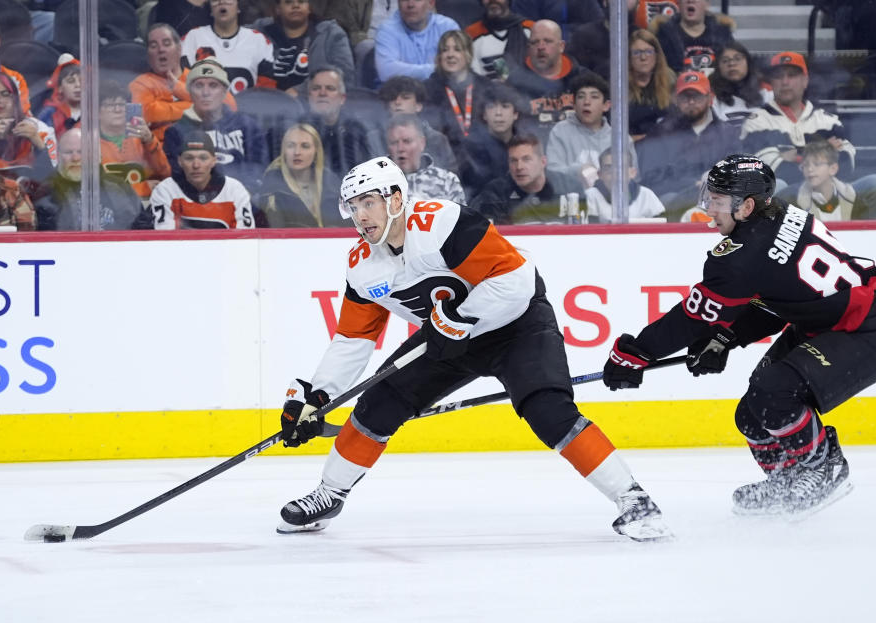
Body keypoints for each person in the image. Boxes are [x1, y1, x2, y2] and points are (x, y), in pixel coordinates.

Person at [275, 154, 671, 541]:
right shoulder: (362, 265)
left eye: (369, 202)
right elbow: (353, 339)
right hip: (447, 338)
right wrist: (319, 395)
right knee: (379, 404)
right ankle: (329, 495)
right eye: (353, 206)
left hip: (516, 322)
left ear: (396, 199)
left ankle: (633, 499)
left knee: (548, 410)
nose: (361, 216)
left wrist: (462, 317)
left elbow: (515, 278)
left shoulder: (441, 222)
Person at [601, 154, 876, 517]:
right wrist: (725, 337)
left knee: (775, 393)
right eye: (709, 197)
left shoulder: (741, 255)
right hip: (824, 323)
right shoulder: (775, 212)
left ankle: (823, 467)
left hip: (865, 332)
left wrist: (634, 354)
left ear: (746, 206)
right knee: (751, 412)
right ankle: (787, 482)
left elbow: (691, 317)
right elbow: (775, 300)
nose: (707, 209)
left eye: (716, 201)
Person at [740, 51, 876, 219]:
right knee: (777, 188)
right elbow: (769, 171)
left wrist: (794, 154)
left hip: (834, 190)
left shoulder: (828, 119)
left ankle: (868, 242)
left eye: (792, 75)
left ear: (805, 80)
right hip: (789, 198)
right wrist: (823, 152)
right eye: (779, 76)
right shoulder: (756, 121)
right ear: (771, 83)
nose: (785, 82)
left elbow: (847, 163)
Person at [637, 71, 739, 221]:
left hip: (720, 202)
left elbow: (738, 175)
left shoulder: (728, 133)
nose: (691, 102)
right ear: (676, 100)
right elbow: (650, 180)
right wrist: (693, 186)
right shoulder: (661, 133)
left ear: (710, 99)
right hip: (677, 201)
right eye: (685, 97)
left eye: (696, 96)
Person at [163, 58, 268, 195]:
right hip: (197, 206)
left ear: (224, 91)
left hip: (241, 202)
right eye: (199, 86)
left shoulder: (247, 126)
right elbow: (178, 180)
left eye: (213, 85)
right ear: (190, 92)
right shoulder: (176, 132)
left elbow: (258, 173)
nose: (206, 92)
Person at [131, 23, 237, 143]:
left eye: (167, 44)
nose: (161, 50)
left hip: (205, 150)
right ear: (148, 54)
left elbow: (230, 106)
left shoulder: (200, 77)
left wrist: (183, 90)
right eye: (153, 46)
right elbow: (142, 116)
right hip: (162, 151)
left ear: (179, 49)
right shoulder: (140, 84)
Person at [35, 129, 144, 231]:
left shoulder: (118, 186)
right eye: (68, 152)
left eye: (81, 152)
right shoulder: (48, 190)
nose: (75, 158)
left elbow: (142, 228)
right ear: (58, 156)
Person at [149, 130, 256, 229]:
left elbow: (245, 239)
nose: (196, 165)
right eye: (189, 158)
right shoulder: (165, 190)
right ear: (180, 161)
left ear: (214, 161)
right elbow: (165, 240)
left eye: (203, 158)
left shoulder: (235, 190)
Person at [0, 72, 57, 189]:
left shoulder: (39, 130)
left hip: (32, 203)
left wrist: (37, 142)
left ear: (15, 99)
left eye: (5, 94)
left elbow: (53, 182)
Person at [470, 132, 584, 224]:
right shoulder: (495, 193)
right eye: (513, 161)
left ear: (543, 162)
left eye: (526, 159)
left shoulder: (570, 187)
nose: (519, 167)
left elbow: (588, 231)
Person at [545, 71, 638, 177]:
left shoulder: (621, 139)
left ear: (606, 106)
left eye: (594, 97)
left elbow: (632, 178)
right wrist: (578, 171)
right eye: (581, 96)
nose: (587, 102)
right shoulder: (560, 131)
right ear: (574, 104)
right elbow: (552, 172)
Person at [504, 19, 586, 134]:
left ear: (561, 46)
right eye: (535, 42)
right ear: (528, 48)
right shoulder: (515, 82)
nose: (541, 47)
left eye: (547, 41)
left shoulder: (584, 79)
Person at [258, 122, 345, 227]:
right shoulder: (272, 190)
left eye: (305, 146)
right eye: (290, 146)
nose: (297, 152)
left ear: (316, 151)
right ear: (283, 151)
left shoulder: (332, 185)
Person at [181, 0, 276, 94]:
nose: (221, 2)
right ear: (210, 9)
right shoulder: (193, 37)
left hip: (249, 108)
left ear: (238, 6)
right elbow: (183, 81)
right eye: (215, 0)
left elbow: (267, 88)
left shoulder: (258, 40)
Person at [261, 0, 355, 93]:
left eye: (301, 1)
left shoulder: (331, 34)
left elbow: (345, 76)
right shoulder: (261, 32)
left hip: (317, 103)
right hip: (269, 101)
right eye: (288, 2)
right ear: (278, 9)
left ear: (309, 7)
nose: (296, 6)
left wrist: (299, 91)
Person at [98, 81, 171, 200]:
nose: (117, 110)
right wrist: (142, 188)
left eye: (122, 105)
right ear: (98, 112)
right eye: (110, 105)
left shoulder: (141, 137)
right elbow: (97, 190)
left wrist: (150, 141)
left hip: (144, 208)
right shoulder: (87, 141)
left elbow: (164, 173)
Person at [306, 67, 380, 175]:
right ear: (309, 96)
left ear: (342, 98)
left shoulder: (356, 131)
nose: (322, 93)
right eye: (316, 88)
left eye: (330, 88)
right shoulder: (296, 129)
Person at [423, 30, 491, 146]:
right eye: (445, 50)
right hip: (444, 155)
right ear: (439, 56)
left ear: (468, 54)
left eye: (457, 49)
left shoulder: (486, 87)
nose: (450, 55)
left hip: (482, 154)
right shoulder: (428, 89)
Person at [378, 75, 457, 172]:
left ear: (418, 106)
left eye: (405, 97)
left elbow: (450, 176)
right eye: (392, 98)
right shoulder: (375, 137)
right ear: (387, 106)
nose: (398, 102)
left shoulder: (437, 140)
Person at [459, 80, 522, 200]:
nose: (498, 113)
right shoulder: (472, 148)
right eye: (491, 106)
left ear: (515, 114)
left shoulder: (525, 144)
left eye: (505, 106)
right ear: (484, 114)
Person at [386, 113, 466, 203]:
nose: (400, 148)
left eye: (407, 141)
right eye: (394, 142)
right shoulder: (377, 182)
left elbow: (461, 216)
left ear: (422, 143)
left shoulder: (447, 181)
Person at [374, 0, 460, 81]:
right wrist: (438, 69)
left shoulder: (447, 27)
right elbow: (386, 71)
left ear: (431, 3)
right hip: (400, 93)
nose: (410, 5)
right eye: (404, 0)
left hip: (440, 92)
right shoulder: (387, 30)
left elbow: (460, 66)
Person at [649, 0, 734, 74]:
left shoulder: (723, 34)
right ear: (679, 3)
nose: (691, 0)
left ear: (707, 4)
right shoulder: (663, 35)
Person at [583, 148, 664, 222]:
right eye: (608, 169)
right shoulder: (590, 196)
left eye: (621, 168)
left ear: (632, 172)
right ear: (600, 174)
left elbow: (663, 228)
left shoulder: (646, 195)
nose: (615, 175)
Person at [566, 0, 639, 79]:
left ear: (638, 5)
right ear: (605, 2)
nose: (621, 2)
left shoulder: (641, 38)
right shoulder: (583, 35)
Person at [709, 40, 771, 129]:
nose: (732, 64)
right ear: (718, 67)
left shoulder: (767, 93)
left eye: (737, 58)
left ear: (748, 63)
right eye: (725, 61)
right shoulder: (710, 97)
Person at [465, 0, 533, 80]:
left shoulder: (531, 29)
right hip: (486, 90)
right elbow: (473, 78)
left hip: (529, 89)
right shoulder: (471, 34)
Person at [628, 29, 675, 141]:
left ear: (657, 55)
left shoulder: (670, 80)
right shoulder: (619, 84)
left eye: (648, 52)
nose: (643, 58)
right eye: (637, 53)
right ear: (628, 57)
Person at [795, 139, 857, 222]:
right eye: (805, 165)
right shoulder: (793, 203)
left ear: (833, 169)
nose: (809, 169)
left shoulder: (854, 198)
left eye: (817, 164)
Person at [36, 54, 81, 139]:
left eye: (82, 81)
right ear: (60, 88)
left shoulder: (95, 112)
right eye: (71, 81)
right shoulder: (49, 113)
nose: (78, 85)